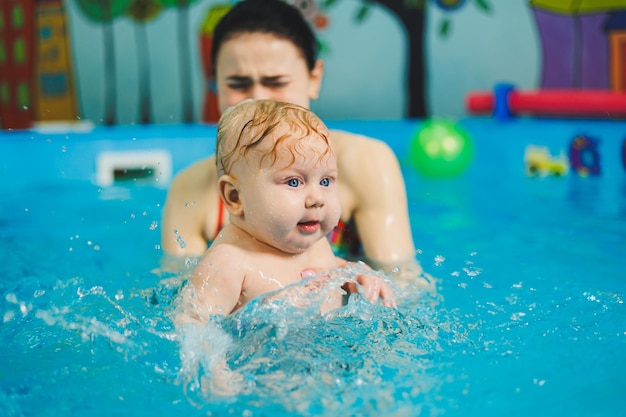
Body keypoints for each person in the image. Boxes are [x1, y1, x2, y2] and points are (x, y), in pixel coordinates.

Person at [161, 0, 430, 288]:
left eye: (275, 82)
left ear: (314, 78)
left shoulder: (365, 162)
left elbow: (403, 282)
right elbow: (178, 296)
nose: (257, 98)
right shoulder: (189, 187)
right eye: (238, 84)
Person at [181, 98, 396, 321]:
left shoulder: (313, 242)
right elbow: (191, 327)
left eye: (326, 181)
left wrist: (355, 274)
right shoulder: (228, 263)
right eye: (294, 182)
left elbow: (329, 269)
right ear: (235, 196)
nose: (317, 199)